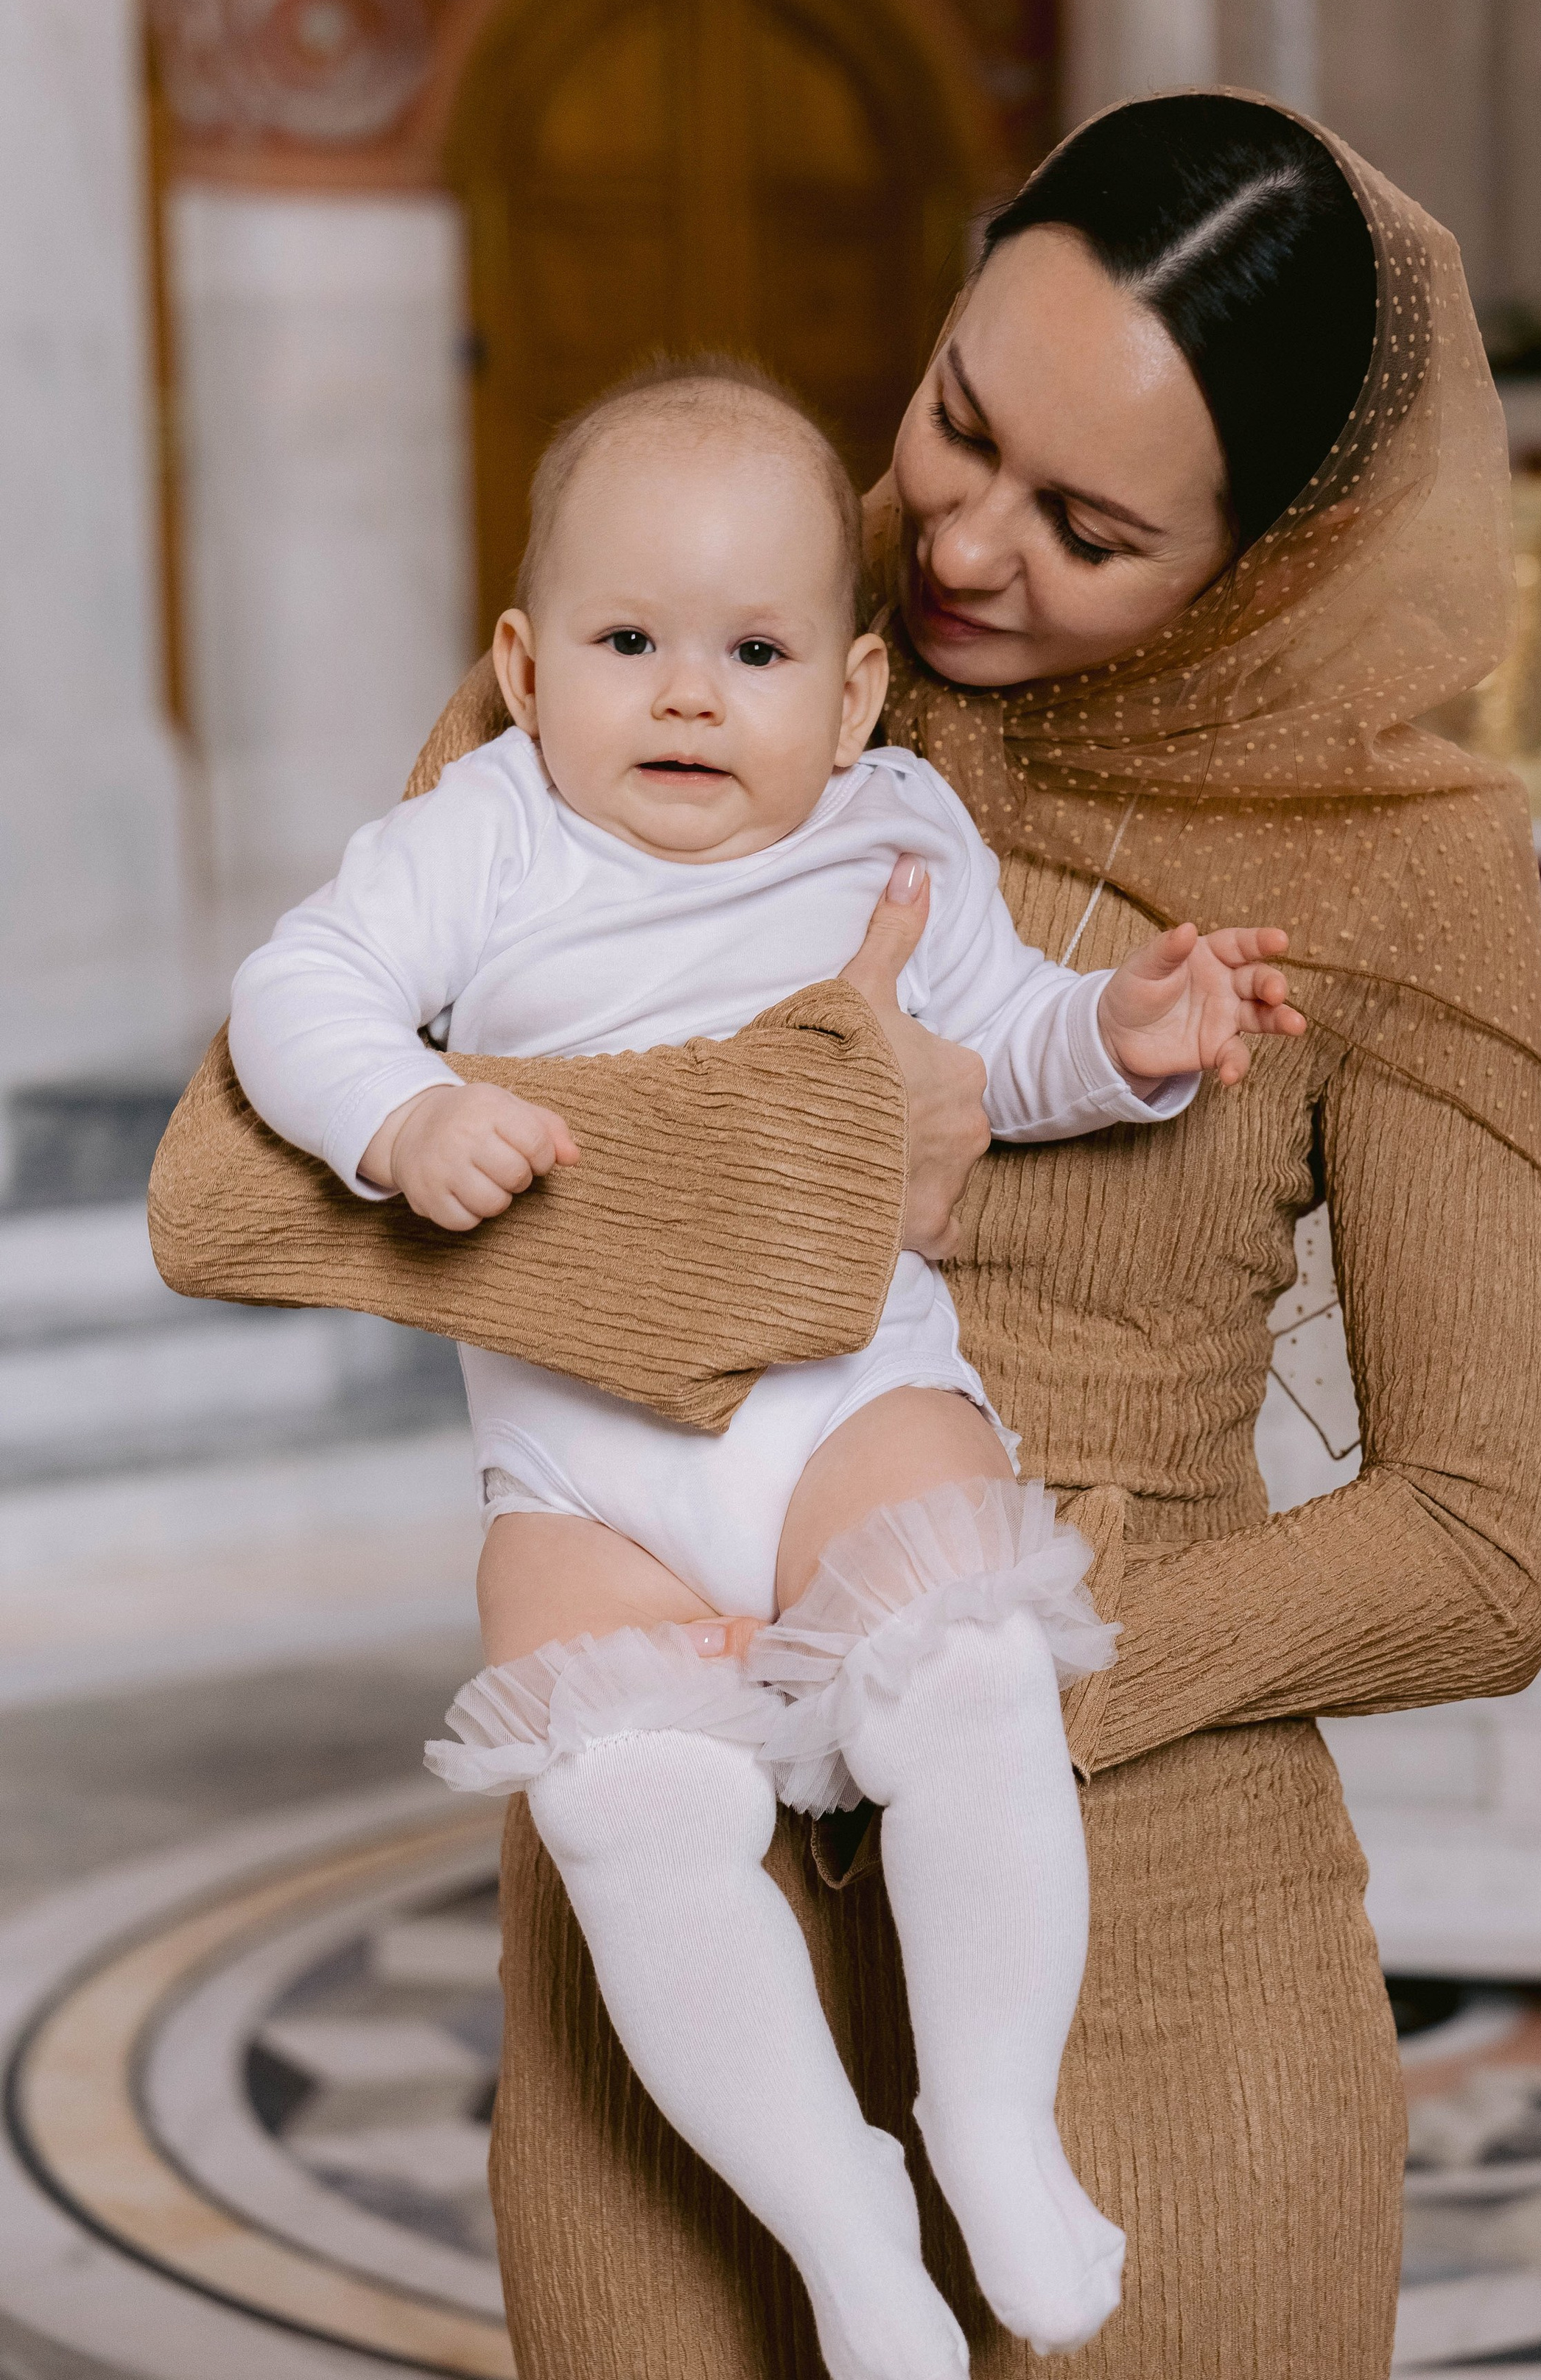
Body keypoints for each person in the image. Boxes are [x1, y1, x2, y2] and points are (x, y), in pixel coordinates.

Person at [150, 91, 1541, 2379]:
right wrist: (798, 1156)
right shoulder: (686, 634)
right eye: (954, 419)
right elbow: (234, 1193)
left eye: (1092, 527)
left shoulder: (1403, 859)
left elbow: (1489, 1550)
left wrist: (935, 1643)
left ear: (1269, 552)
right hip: (672, 1926)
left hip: (1149, 1908)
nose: (964, 545)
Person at [222, 359, 1302, 2380]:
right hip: (584, 1481)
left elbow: (999, 1050)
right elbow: (300, 986)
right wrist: (395, 1116)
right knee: (625, 1813)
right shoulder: (491, 832)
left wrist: (1127, 1037)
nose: (692, 697)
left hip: (836, 1404)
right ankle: (842, 2225)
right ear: (527, 668)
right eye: (631, 644)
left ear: (860, 694)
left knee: (971, 1669)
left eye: (754, 651)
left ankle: (989, 2121)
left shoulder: (895, 840)